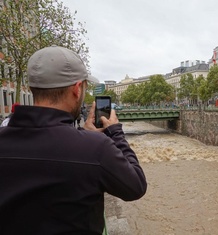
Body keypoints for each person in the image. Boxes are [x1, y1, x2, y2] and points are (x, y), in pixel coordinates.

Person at [0, 46, 147, 234]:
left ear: (32, 88)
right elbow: (136, 186)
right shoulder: (95, 149)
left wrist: (81, 133)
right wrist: (115, 131)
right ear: (77, 89)